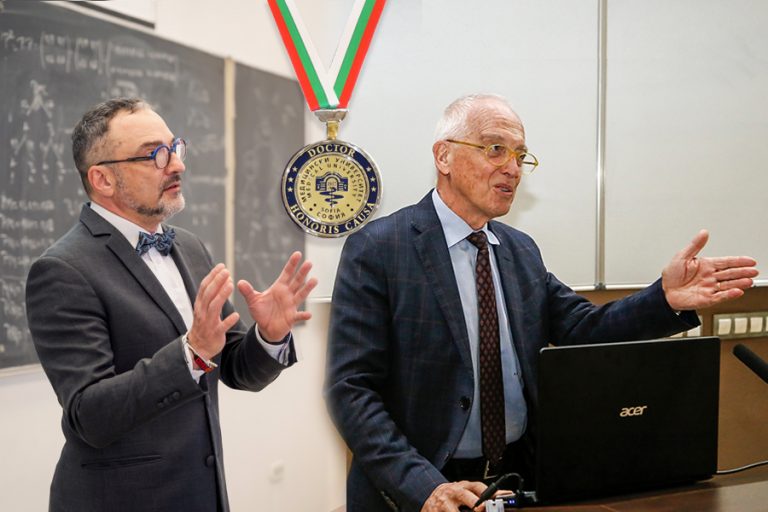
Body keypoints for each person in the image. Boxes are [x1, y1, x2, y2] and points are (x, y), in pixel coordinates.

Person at [325, 93, 759, 512]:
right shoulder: (380, 248)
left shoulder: (520, 250)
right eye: (495, 150)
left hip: (516, 477)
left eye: (520, 156)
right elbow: (351, 389)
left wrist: (663, 299)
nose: (512, 169)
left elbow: (584, 329)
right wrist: (424, 487)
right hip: (424, 484)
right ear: (444, 156)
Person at [25, 98, 317, 512]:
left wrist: (269, 336)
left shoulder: (189, 247)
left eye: (175, 148)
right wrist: (191, 353)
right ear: (103, 179)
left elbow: (235, 369)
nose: (177, 165)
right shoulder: (62, 270)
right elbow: (90, 415)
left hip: (201, 492)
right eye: (154, 155)